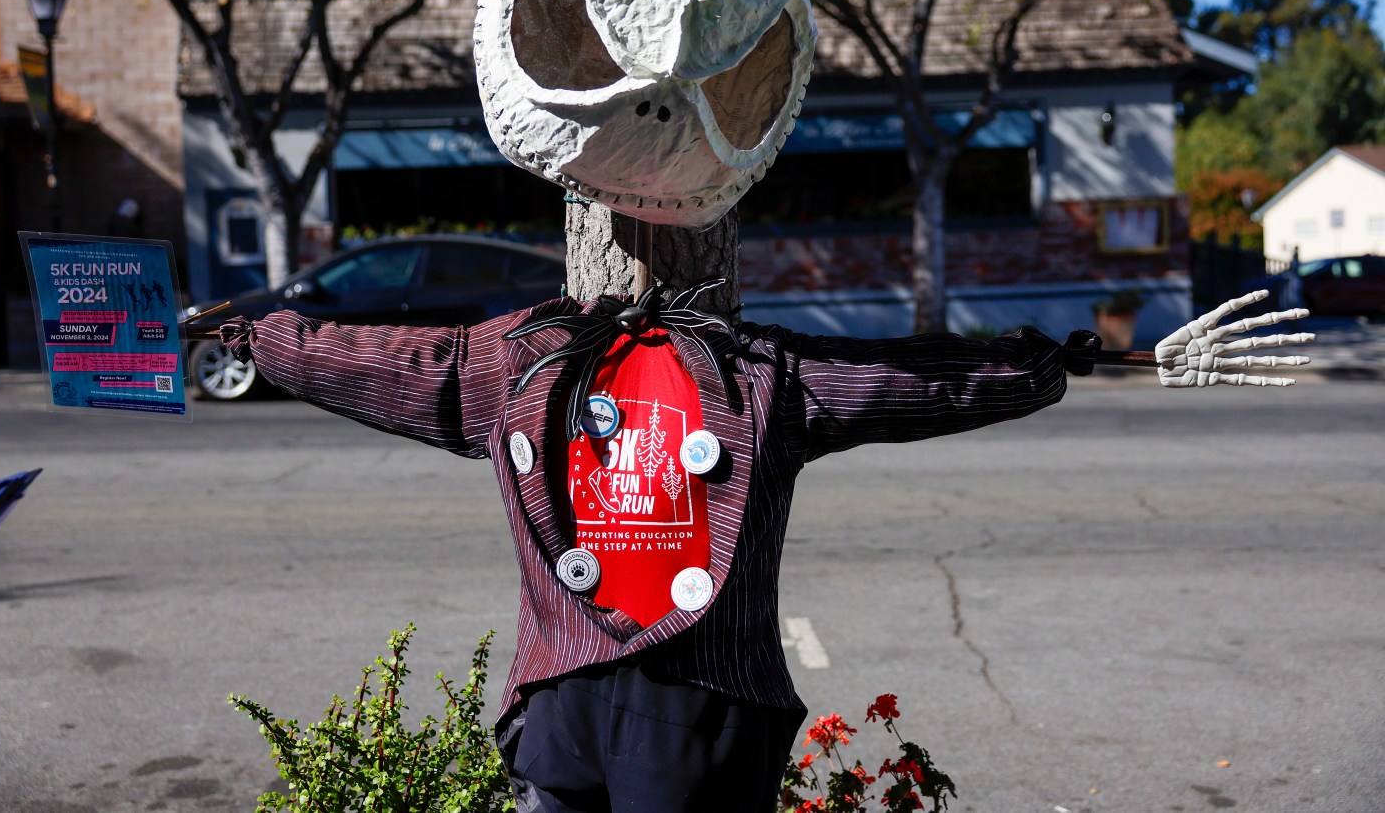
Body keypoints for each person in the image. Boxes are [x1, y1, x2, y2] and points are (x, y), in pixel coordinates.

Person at [221, 286, 1103, 812]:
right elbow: (901, 384)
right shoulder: (759, 372)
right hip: (694, 708)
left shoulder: (525, 357)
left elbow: (408, 367)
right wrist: (1038, 366)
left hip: (563, 700)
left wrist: (256, 338)